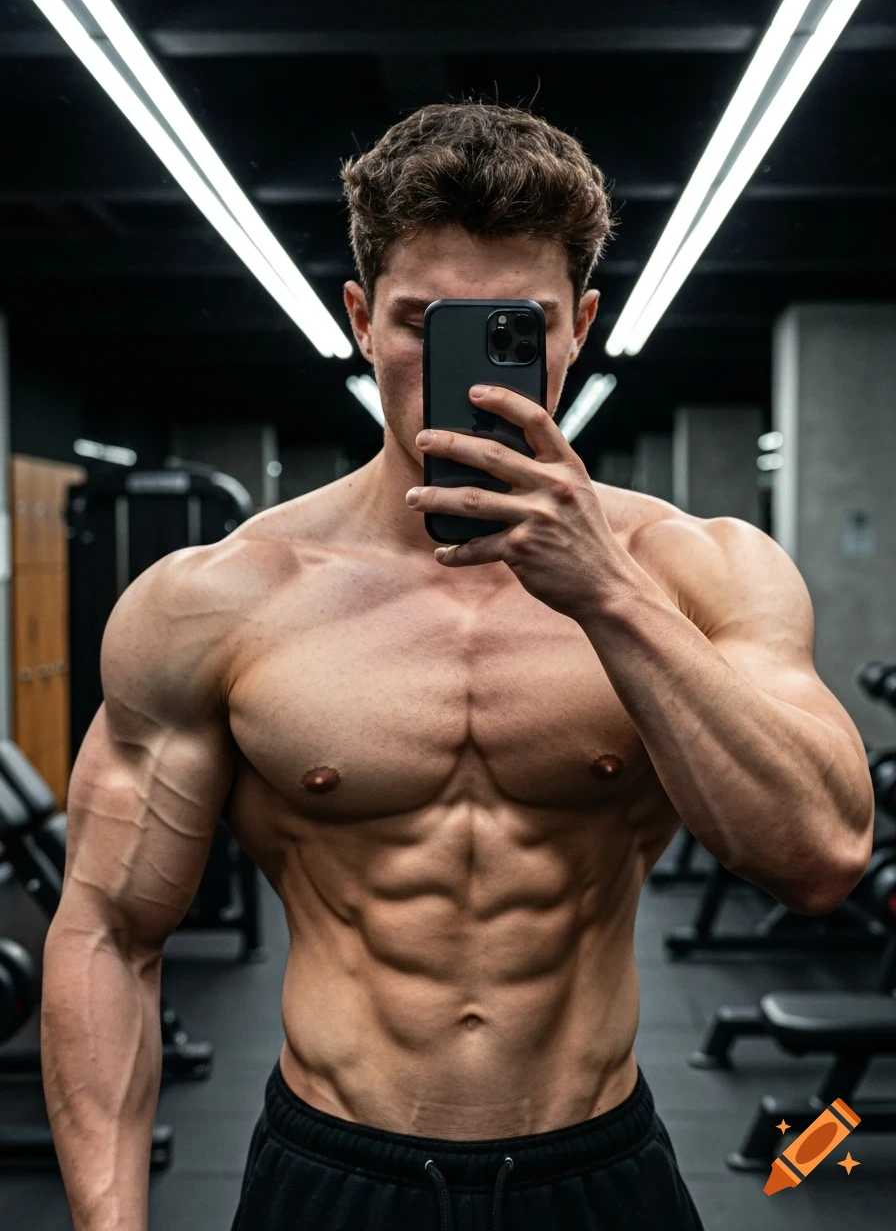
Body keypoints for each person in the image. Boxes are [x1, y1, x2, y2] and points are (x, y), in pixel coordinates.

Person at [41, 102, 874, 1231]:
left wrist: (607, 594)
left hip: (597, 1171)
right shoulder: (217, 597)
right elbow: (106, 930)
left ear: (578, 327)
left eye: (515, 325)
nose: (466, 373)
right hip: (332, 1173)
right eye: (418, 322)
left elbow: (821, 856)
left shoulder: (698, 569)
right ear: (358, 318)